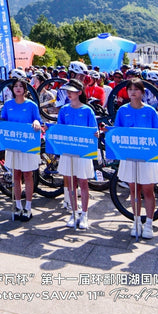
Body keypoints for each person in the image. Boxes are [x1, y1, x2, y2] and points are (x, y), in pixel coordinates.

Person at [115, 78, 158, 238]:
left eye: (136, 89)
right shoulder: (122, 110)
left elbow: (157, 131)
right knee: (134, 190)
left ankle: (149, 223)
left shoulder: (150, 111)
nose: (133, 92)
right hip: (130, 156)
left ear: (142, 92)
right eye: (130, 89)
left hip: (147, 157)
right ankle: (136, 221)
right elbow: (117, 132)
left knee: (148, 191)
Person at [0, 78, 42, 222]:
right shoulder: (8, 104)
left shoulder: (31, 105)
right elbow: (3, 120)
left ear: (25, 89)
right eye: (15, 86)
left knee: (28, 175)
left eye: (21, 86)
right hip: (13, 145)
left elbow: (38, 121)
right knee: (16, 175)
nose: (18, 88)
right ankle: (17, 205)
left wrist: (36, 122)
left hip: (27, 145)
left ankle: (28, 206)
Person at [57, 81, 96, 229]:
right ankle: (74, 213)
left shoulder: (87, 110)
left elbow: (93, 129)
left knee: (83, 183)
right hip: (68, 151)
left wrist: (96, 134)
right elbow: (59, 129)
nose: (69, 93)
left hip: (83, 152)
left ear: (79, 92)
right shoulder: (64, 110)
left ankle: (85, 214)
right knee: (71, 182)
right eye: (68, 91)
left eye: (72, 91)